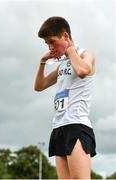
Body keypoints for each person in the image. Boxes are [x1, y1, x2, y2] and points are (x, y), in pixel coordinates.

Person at [34, 16, 96, 179]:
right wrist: (43, 61)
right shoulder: (61, 64)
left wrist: (70, 51)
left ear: (66, 36)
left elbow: (83, 71)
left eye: (52, 41)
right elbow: (39, 86)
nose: (50, 47)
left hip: (77, 125)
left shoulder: (85, 54)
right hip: (59, 127)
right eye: (47, 43)